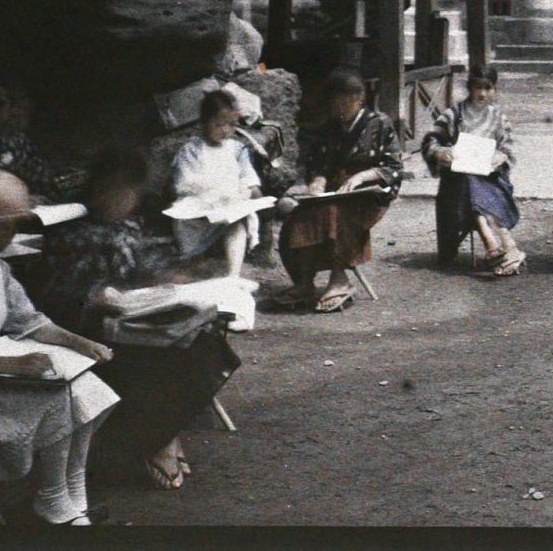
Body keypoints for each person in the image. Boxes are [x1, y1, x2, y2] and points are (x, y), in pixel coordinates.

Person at [31, 149, 243, 493]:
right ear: (100, 189)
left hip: (130, 315)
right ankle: (156, 441)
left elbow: (142, 269)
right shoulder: (69, 230)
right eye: (119, 192)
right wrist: (99, 296)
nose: (126, 201)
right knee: (170, 357)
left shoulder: (128, 224)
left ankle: (165, 433)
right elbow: (52, 297)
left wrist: (175, 280)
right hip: (86, 328)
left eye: (131, 194)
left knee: (204, 341)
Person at [0, 166, 120, 527]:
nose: (11, 236)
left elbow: (30, 322)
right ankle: (52, 498)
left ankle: (74, 493)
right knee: (57, 395)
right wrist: (15, 366)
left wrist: (78, 342)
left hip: (1, 364)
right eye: (4, 228)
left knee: (89, 389)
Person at [278, 69, 402, 312]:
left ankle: (339, 278)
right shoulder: (330, 126)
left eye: (344, 101)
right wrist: (318, 182)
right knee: (301, 213)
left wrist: (362, 176)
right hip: (335, 192)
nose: (338, 107)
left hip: (368, 194)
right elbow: (318, 164)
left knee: (334, 213)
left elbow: (393, 166)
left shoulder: (380, 124)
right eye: (334, 101)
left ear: (358, 99)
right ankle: (304, 281)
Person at [422, 66, 525, 277]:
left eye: (488, 88)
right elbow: (431, 140)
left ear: (494, 90)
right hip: (458, 179)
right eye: (478, 87)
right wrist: (440, 152)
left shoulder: (498, 118)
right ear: (470, 87)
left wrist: (500, 156)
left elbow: (508, 149)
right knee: (467, 177)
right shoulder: (454, 114)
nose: (482, 93)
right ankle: (504, 245)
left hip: (490, 179)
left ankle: (494, 243)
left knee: (474, 180)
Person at [168, 89, 265, 277]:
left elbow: (247, 176)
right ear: (204, 122)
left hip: (228, 209)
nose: (225, 130)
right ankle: (195, 259)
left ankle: (233, 274)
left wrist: (253, 191)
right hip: (199, 209)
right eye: (219, 124)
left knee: (237, 223)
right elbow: (184, 183)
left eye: (231, 125)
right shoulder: (192, 150)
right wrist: (211, 197)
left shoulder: (237, 149)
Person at [0, 80, 83, 203]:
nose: (15, 113)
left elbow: (40, 175)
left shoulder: (17, 139)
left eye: (22, 107)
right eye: (5, 105)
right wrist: (23, 200)